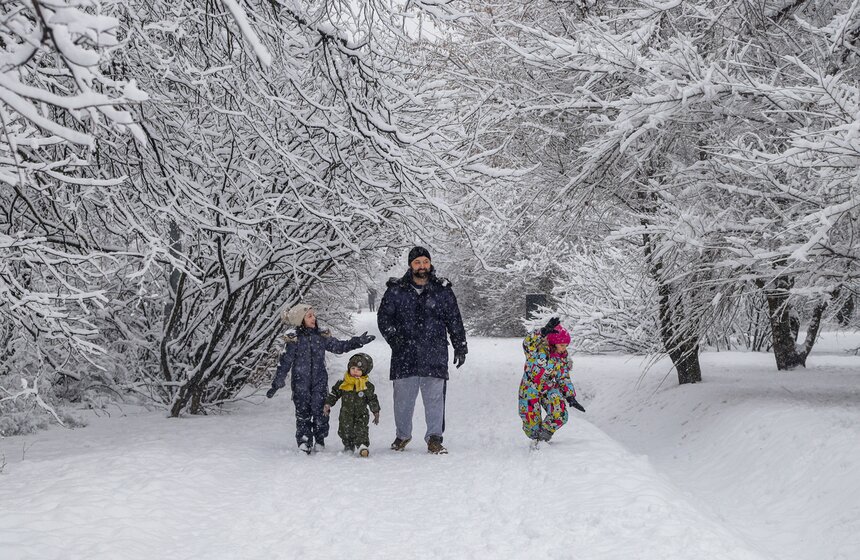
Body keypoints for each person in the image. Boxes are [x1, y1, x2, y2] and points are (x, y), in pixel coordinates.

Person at [377, 246, 467, 455]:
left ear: (430, 263)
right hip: (404, 354)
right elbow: (384, 318)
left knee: (435, 400)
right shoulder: (396, 290)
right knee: (402, 401)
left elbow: (454, 319)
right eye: (417, 262)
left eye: (425, 261)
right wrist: (394, 338)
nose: (422, 266)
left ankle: (434, 438)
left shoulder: (442, 289)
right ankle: (402, 435)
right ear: (410, 265)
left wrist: (460, 345)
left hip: (434, 352)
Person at [267, 304, 375, 454]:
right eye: (309, 315)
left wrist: (357, 341)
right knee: (303, 413)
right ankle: (304, 441)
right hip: (300, 384)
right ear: (300, 319)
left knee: (320, 412)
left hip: (319, 382)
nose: (314, 318)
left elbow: (339, 346)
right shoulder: (294, 340)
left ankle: (319, 439)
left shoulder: (321, 337)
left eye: (314, 315)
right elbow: (284, 362)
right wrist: (277, 382)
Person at [518, 317, 585, 446]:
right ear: (553, 343)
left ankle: (544, 437)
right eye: (561, 345)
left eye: (566, 346)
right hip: (529, 389)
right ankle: (536, 437)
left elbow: (563, 377)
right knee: (531, 426)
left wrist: (570, 396)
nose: (564, 349)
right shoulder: (536, 351)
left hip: (548, 388)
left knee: (559, 413)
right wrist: (541, 332)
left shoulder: (562, 358)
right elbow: (527, 343)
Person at [323, 352, 381, 457]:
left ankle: (362, 445)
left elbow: (372, 399)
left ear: (364, 372)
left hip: (361, 414)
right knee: (345, 430)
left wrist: (375, 411)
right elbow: (334, 394)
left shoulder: (367, 385)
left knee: (361, 430)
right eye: (353, 368)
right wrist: (328, 404)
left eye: (359, 370)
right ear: (349, 368)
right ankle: (348, 445)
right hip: (346, 413)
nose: (355, 371)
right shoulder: (343, 383)